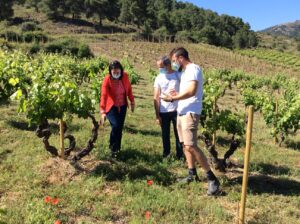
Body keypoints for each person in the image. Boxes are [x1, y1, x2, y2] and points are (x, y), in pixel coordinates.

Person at [161, 47, 220, 195]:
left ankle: (212, 178)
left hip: (191, 112)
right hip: (181, 111)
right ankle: (192, 173)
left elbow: (193, 90)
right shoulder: (185, 72)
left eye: (174, 61)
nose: (174, 64)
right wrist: (177, 94)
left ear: (181, 58)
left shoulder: (194, 68)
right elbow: (186, 92)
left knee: (191, 146)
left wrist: (174, 97)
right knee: (185, 146)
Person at [100, 60, 135, 158]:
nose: (116, 72)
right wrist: (102, 111)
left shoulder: (125, 76)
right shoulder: (107, 79)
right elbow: (104, 95)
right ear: (110, 71)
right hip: (111, 107)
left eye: (117, 70)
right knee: (115, 126)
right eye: (113, 71)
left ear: (121, 69)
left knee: (119, 128)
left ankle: (117, 150)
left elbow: (129, 90)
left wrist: (132, 101)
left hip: (123, 106)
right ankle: (112, 148)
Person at [153, 56, 184, 159]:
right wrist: (157, 115)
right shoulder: (159, 78)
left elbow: (185, 92)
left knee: (178, 134)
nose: (160, 69)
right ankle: (166, 154)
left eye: (161, 67)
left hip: (177, 110)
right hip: (163, 111)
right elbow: (156, 97)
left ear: (168, 65)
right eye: (158, 67)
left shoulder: (178, 75)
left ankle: (180, 155)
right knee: (165, 134)